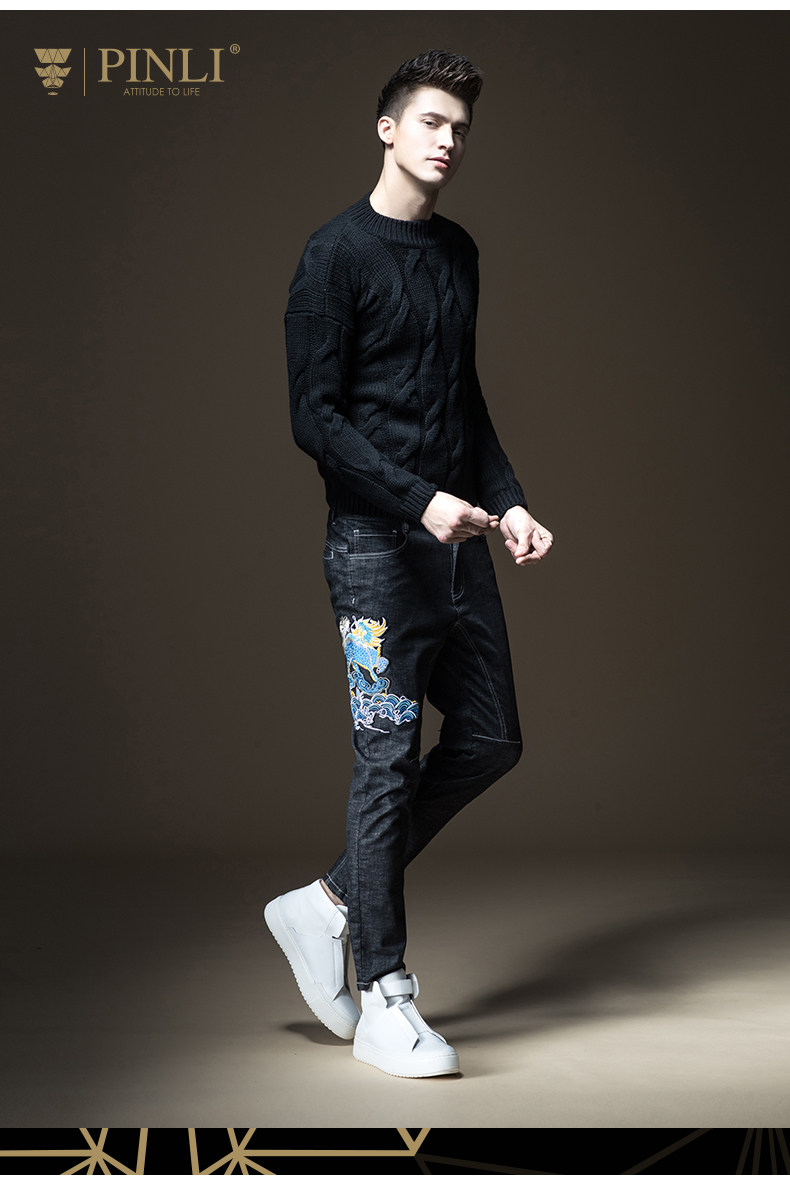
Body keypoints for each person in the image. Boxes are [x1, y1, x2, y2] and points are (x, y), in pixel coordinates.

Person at [264, 49, 554, 1079]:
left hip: (460, 543)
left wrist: (508, 501)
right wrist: (418, 500)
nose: (448, 140)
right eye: (431, 121)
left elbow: (461, 396)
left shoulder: (458, 252)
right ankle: (386, 992)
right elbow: (314, 419)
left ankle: (326, 902)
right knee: (387, 758)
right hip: (375, 551)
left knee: (493, 737)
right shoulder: (332, 255)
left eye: (460, 128)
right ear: (387, 129)